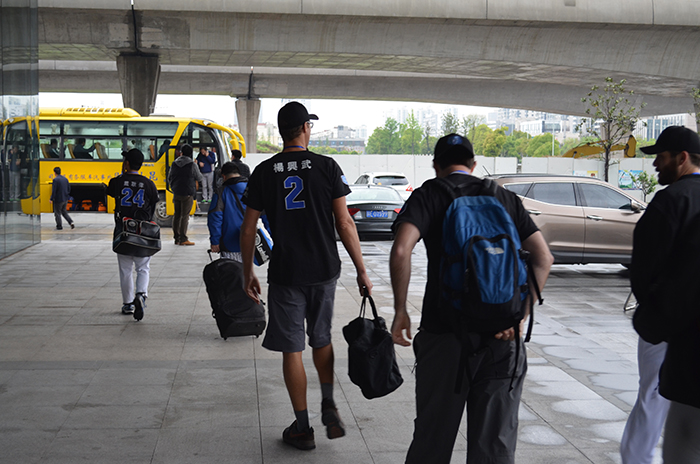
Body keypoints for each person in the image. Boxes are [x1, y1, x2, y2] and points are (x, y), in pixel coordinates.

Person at [390, 134, 553, 464]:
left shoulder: (429, 194)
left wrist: (400, 310)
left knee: (432, 439)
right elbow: (544, 258)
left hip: (445, 336)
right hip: (502, 339)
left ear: (436, 166)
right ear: (473, 164)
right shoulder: (503, 197)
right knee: (494, 446)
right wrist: (518, 316)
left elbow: (401, 250)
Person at [240, 101, 373, 451]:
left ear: (282, 132)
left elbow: (248, 227)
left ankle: (302, 427)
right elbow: (344, 222)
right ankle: (327, 401)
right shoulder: (327, 166)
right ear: (304, 128)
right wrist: (361, 269)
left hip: (286, 272)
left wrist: (247, 271)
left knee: (292, 349)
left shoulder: (264, 171)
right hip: (324, 269)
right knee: (321, 338)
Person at [625, 125, 700, 464]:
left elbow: (644, 268)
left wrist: (651, 315)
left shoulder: (670, 200)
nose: (656, 164)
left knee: (653, 398)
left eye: (661, 156)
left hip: (668, 324)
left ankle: (636, 458)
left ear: (682, 158)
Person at [106, 149, 159, 320]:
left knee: (125, 270)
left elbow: (110, 191)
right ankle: (141, 295)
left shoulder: (117, 182)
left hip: (123, 232)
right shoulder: (149, 183)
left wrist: (123, 173)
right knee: (143, 267)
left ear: (126, 163)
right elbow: (153, 206)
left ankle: (128, 303)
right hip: (143, 233)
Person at [168, 143, 202, 246]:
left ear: (181, 153)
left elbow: (170, 177)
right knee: (184, 216)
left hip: (176, 192)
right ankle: (183, 238)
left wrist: (174, 187)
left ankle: (176, 238)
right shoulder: (192, 164)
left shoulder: (174, 163)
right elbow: (199, 177)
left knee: (177, 215)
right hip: (187, 192)